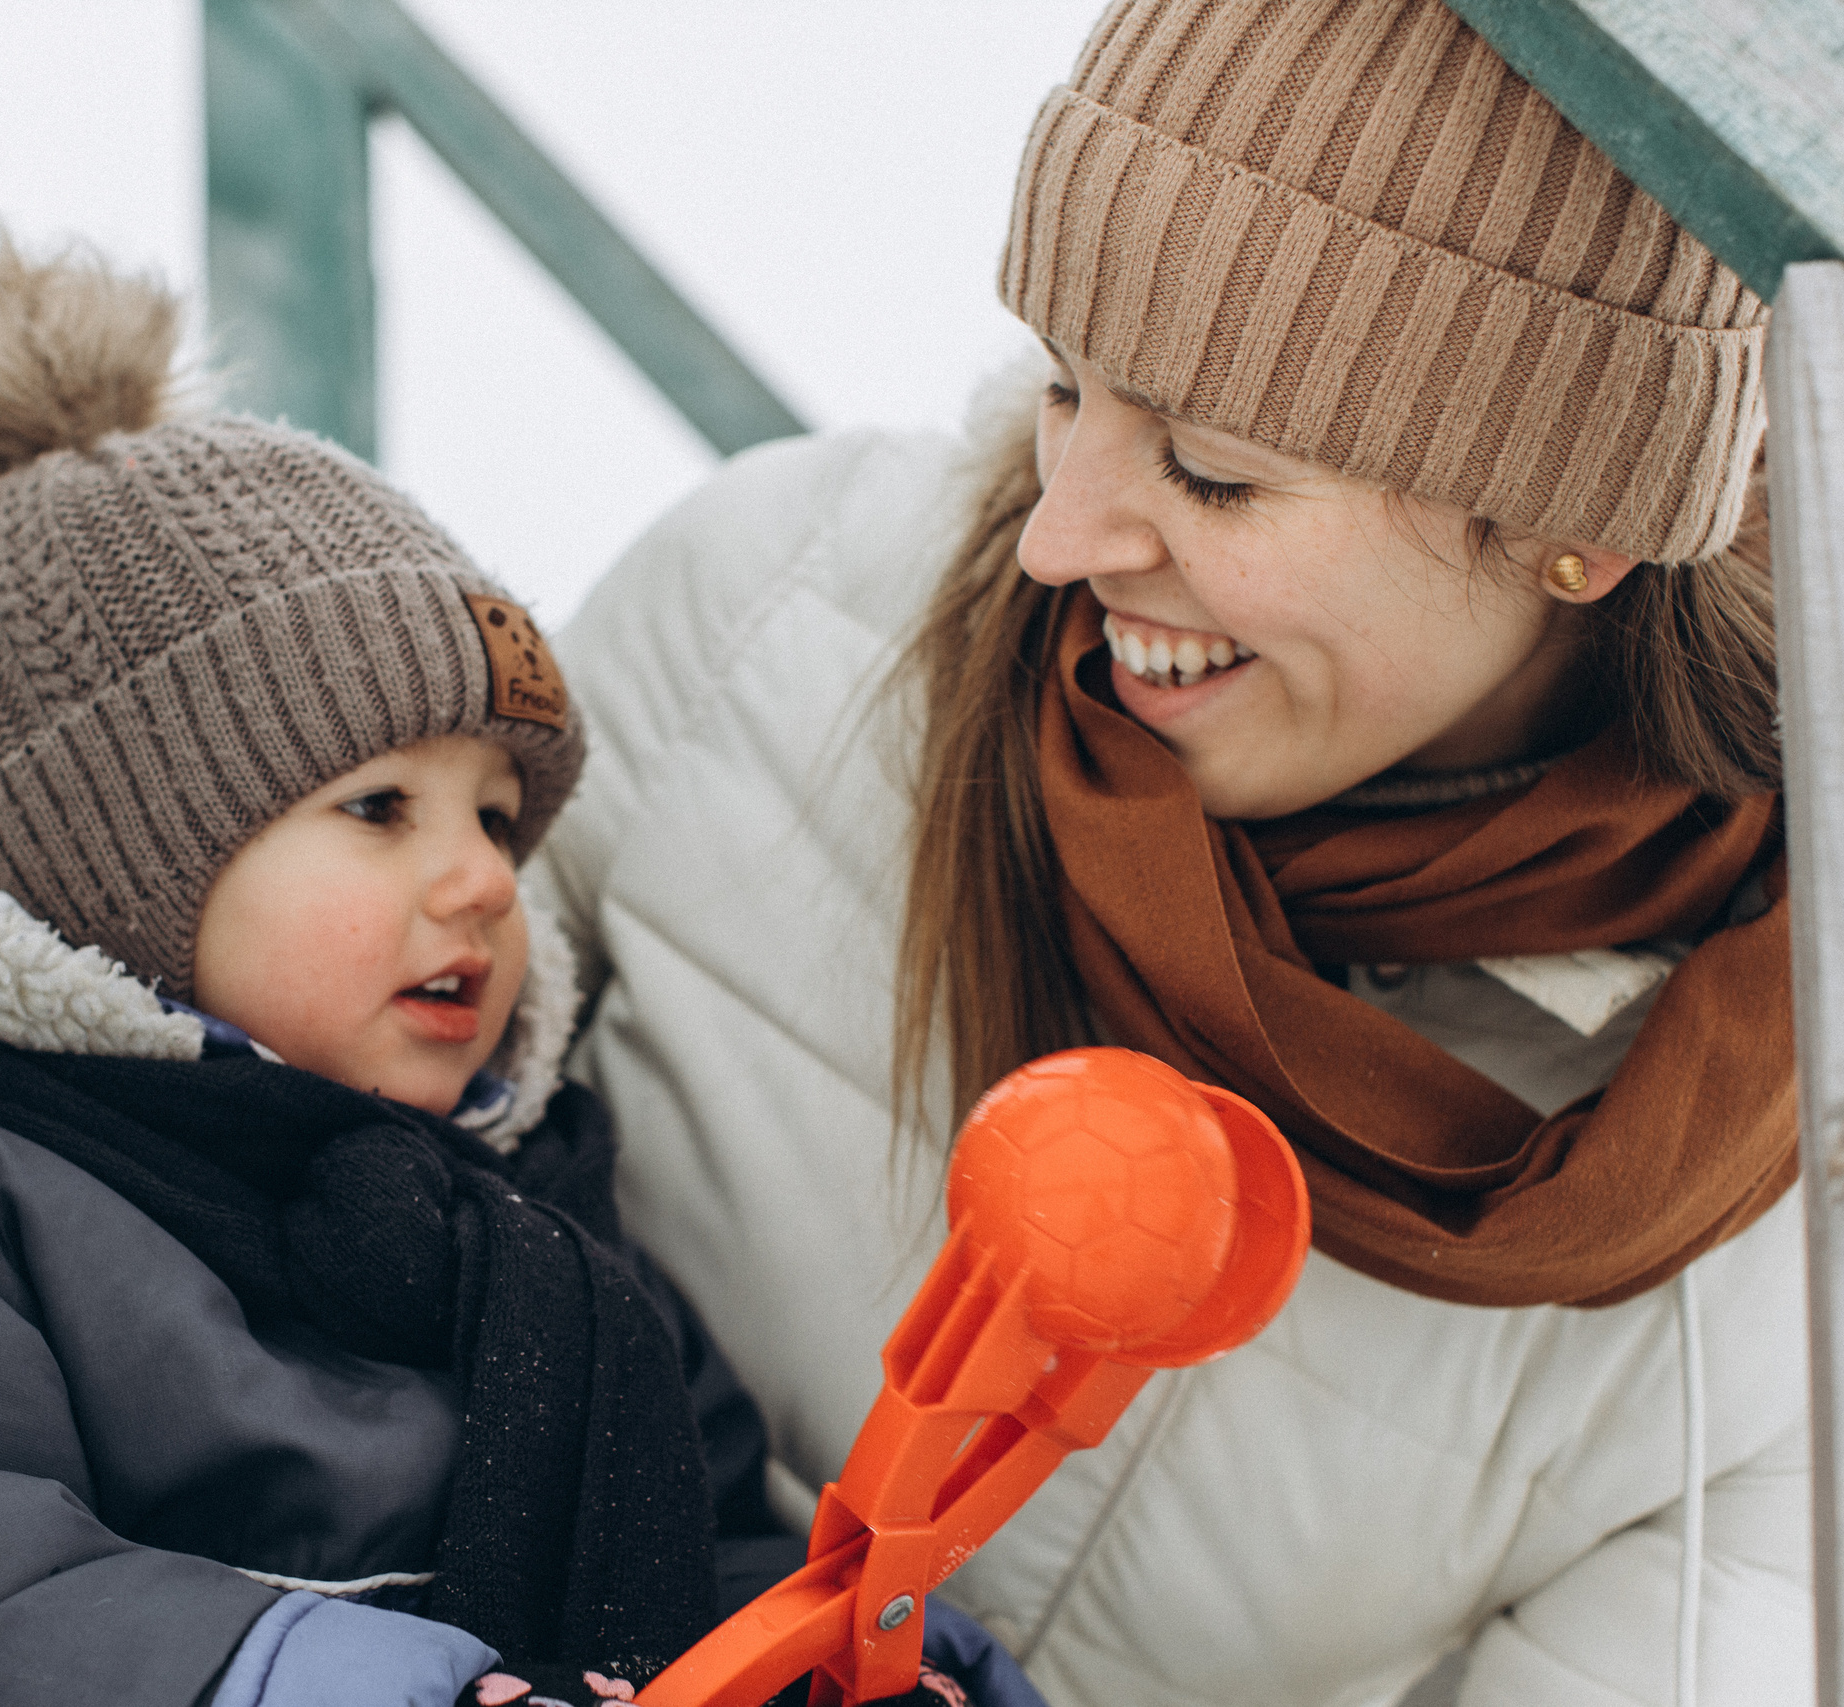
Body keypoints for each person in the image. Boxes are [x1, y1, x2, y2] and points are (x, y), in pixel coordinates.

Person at [533, 2, 1806, 1704]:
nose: (1062, 534)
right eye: (1067, 382)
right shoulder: (774, 601)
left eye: (1212, 476)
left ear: (1575, 532)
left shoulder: (1781, 1226)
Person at [0, 231, 1039, 1707]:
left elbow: (703, 1553)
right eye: (377, 809)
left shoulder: (542, 1229)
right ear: (114, 866)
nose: (483, 881)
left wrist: (851, 1653)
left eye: (500, 819)